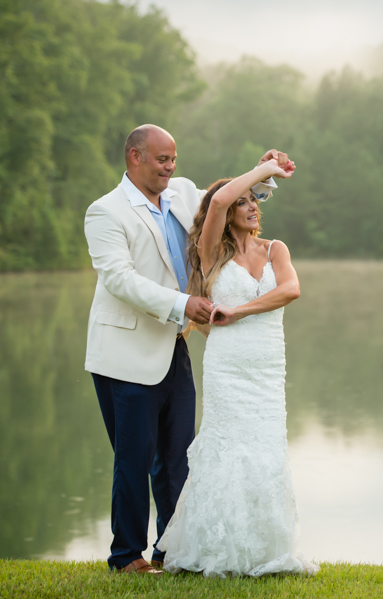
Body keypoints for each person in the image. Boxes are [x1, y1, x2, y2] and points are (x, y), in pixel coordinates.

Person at [83, 124, 279, 574]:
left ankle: (173, 553)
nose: (171, 168)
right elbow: (119, 279)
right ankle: (126, 556)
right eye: (161, 160)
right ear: (135, 157)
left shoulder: (183, 192)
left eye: (173, 159)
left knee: (178, 459)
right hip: (125, 352)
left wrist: (262, 171)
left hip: (175, 347)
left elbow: (225, 198)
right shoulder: (105, 212)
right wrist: (182, 303)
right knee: (133, 460)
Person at [156, 155, 319, 578]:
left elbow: (291, 290)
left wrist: (240, 311)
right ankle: (216, 548)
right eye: (243, 201)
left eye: (256, 201)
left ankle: (265, 549)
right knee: (228, 449)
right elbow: (217, 200)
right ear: (227, 214)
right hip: (229, 367)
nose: (252, 206)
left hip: (267, 367)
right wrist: (263, 170)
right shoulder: (210, 252)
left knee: (265, 450)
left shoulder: (275, 249)